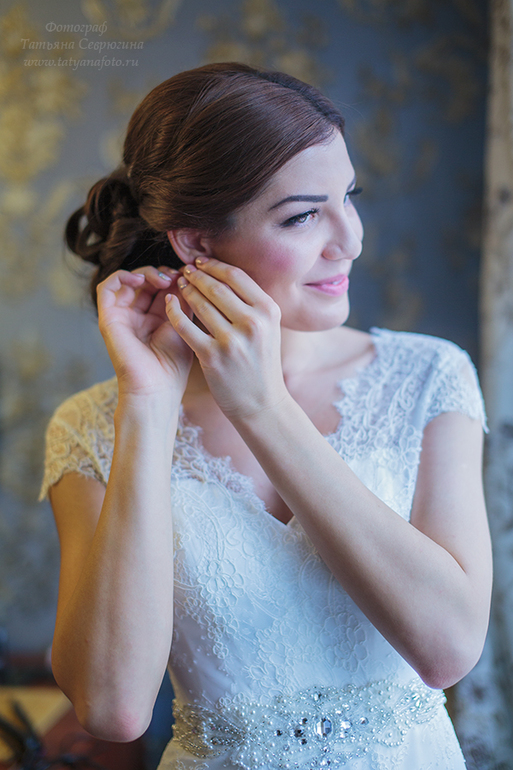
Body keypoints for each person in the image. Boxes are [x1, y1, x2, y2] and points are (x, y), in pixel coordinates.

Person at [39, 62, 492, 769]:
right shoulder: (91, 425)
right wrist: (147, 409)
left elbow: (448, 650)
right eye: (303, 215)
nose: (350, 239)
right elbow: (112, 708)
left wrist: (263, 406)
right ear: (196, 242)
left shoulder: (429, 377)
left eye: (349, 197)